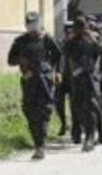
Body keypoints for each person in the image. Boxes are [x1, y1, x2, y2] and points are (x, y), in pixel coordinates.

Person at [7, 12, 62, 159]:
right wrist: (21, 60)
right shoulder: (20, 41)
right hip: (29, 80)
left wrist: (58, 73)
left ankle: (40, 145)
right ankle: (37, 141)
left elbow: (59, 56)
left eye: (34, 25)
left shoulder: (47, 39)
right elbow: (10, 60)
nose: (32, 29)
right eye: (29, 26)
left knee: (44, 112)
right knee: (30, 112)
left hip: (45, 79)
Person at [62, 17, 102, 152]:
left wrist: (94, 41)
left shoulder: (93, 39)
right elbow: (64, 56)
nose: (79, 29)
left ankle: (90, 137)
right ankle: (81, 131)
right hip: (77, 80)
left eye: (82, 26)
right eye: (77, 27)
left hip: (92, 80)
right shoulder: (71, 42)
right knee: (78, 108)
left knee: (92, 108)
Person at [53, 23, 74, 139]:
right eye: (67, 32)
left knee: (74, 104)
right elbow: (56, 59)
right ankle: (64, 123)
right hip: (61, 77)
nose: (69, 34)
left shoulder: (77, 44)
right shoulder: (60, 44)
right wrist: (57, 72)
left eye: (71, 32)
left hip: (74, 79)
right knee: (58, 102)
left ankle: (76, 126)